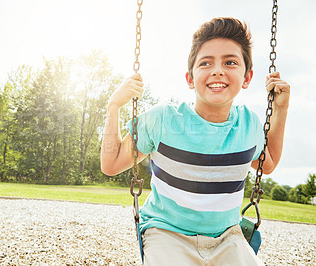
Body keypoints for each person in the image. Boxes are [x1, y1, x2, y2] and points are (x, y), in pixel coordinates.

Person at [100, 17, 290, 265]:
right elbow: (111, 164)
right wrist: (113, 107)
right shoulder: (163, 119)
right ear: (190, 78)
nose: (218, 70)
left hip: (228, 237)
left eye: (230, 62)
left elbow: (268, 162)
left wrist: (281, 108)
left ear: (247, 77)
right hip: (166, 233)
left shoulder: (249, 124)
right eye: (206, 63)